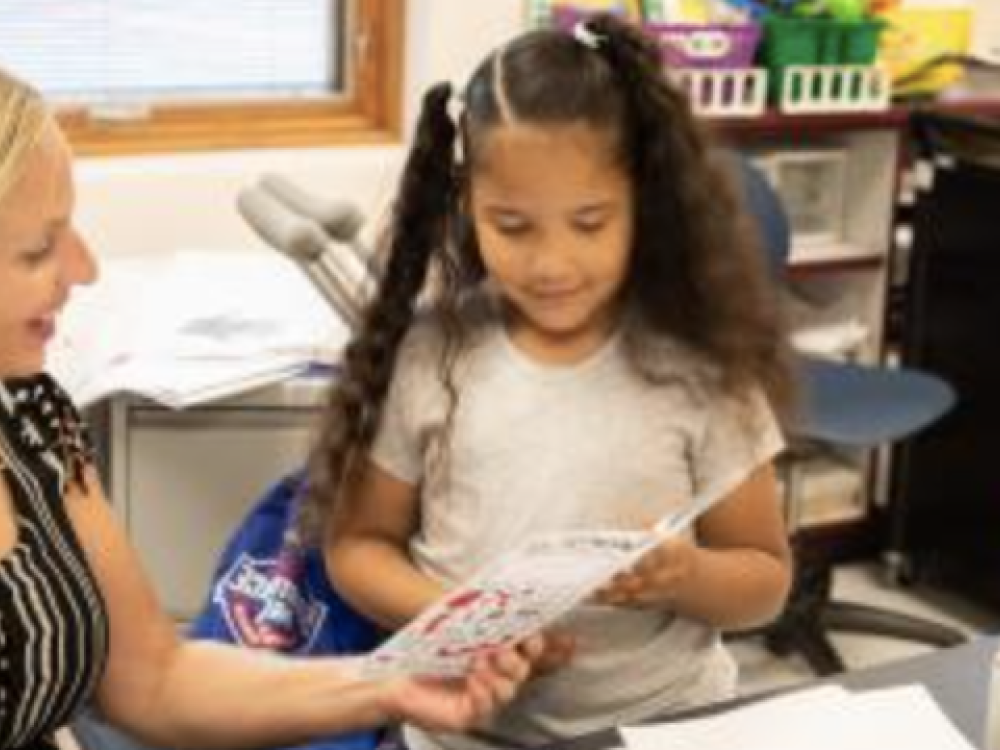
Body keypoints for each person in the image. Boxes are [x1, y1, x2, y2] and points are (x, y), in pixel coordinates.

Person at [0, 68, 540, 750]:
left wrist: (389, 683)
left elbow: (154, 680)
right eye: (38, 249)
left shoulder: (35, 424)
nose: (84, 270)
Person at [309, 13, 798, 750]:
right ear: (467, 204)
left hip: (659, 725)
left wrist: (685, 575)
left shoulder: (702, 367)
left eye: (590, 222)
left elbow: (764, 581)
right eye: (513, 225)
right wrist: (462, 623)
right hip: (462, 734)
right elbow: (357, 547)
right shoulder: (433, 356)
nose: (553, 264)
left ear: (644, 202)